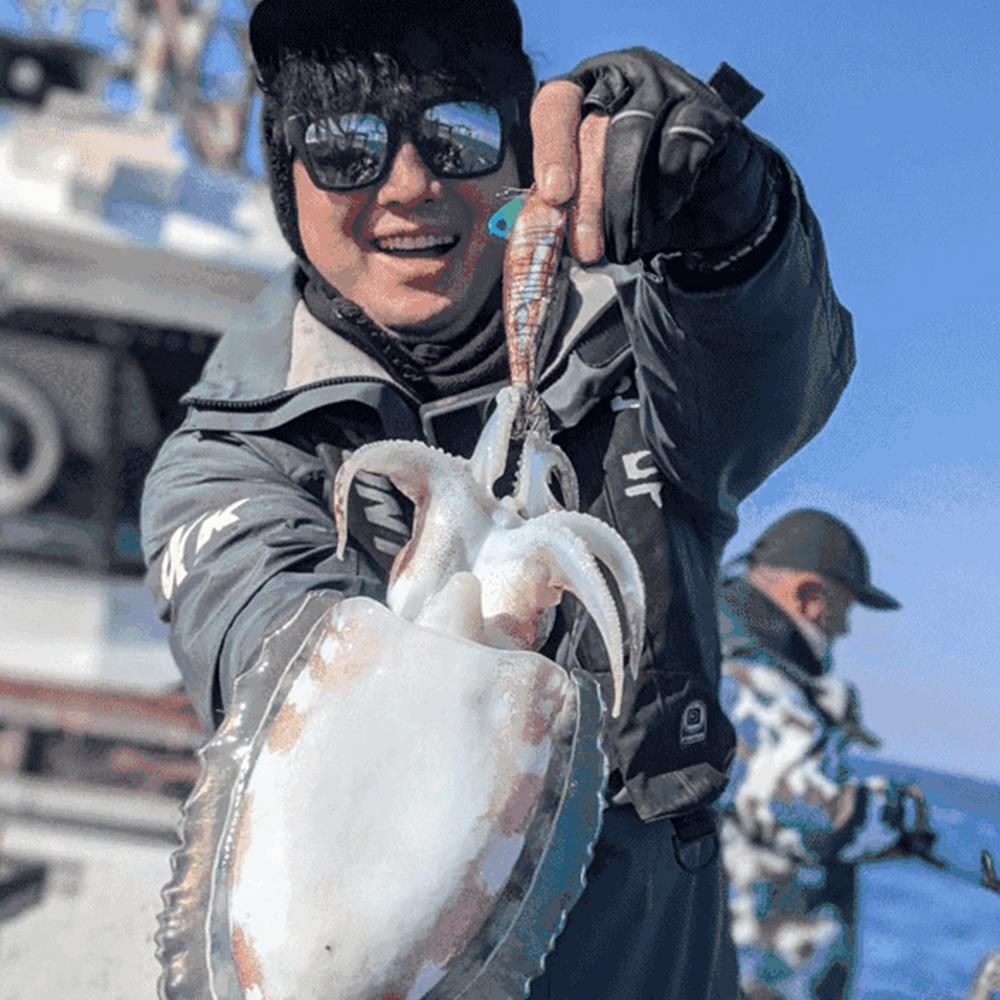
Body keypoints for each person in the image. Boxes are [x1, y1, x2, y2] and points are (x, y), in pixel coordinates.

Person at [140, 1, 858, 995]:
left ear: (522, 155)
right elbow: (258, 638)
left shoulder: (651, 373)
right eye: (342, 146)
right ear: (284, 174)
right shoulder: (222, 461)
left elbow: (773, 381)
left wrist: (738, 232)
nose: (408, 185)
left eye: (458, 133)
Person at [717, 509, 934, 999]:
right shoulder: (752, 679)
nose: (845, 631)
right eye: (844, 611)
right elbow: (810, 814)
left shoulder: (731, 659)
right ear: (810, 598)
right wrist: (909, 816)